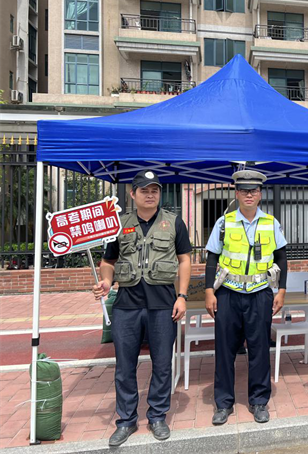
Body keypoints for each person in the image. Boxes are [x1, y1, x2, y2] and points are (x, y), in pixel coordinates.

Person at [93, 170, 192, 447]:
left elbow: (185, 260)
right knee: (125, 365)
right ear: (132, 194)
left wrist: (182, 296)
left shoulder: (174, 223)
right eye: (144, 190)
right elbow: (109, 262)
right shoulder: (119, 224)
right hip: (127, 305)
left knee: (162, 363)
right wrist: (106, 282)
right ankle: (126, 420)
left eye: (154, 190)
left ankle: (157, 416)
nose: (150, 195)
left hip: (163, 304)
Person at [204, 170, 288, 425]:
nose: (249, 195)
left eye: (253, 191)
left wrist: (281, 291)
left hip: (260, 293)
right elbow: (211, 258)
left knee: (260, 349)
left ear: (260, 194)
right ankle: (223, 403)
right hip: (228, 293)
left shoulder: (271, 223)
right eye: (244, 191)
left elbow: (282, 258)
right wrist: (209, 291)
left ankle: (259, 401)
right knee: (225, 350)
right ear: (237, 193)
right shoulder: (224, 223)